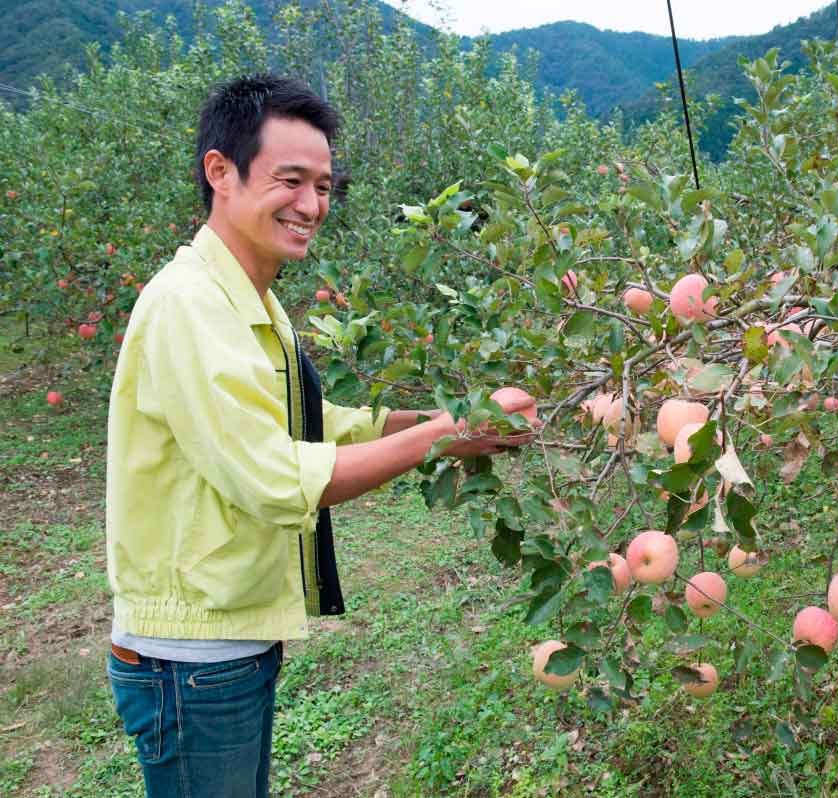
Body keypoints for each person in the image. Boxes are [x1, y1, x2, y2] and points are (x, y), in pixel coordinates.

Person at [104, 73, 536, 798]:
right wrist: (446, 431)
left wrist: (447, 430)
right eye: (292, 181)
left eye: (326, 187)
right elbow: (278, 478)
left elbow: (314, 426)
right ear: (221, 172)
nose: (312, 206)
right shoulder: (190, 307)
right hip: (190, 659)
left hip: (223, 643)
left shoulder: (249, 298)